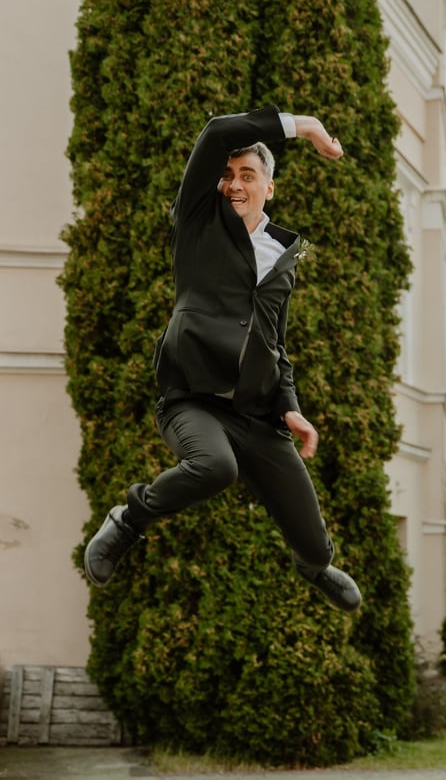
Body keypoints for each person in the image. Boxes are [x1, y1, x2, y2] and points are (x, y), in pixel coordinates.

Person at [83, 106, 361, 612]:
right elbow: (215, 132)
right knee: (215, 467)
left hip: (257, 414)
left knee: (316, 546)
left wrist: (290, 408)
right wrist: (307, 127)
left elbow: (274, 342)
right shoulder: (197, 220)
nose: (234, 184)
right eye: (228, 175)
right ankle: (127, 521)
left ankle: (314, 566)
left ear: (268, 188)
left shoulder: (287, 255)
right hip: (191, 400)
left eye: (247, 175)